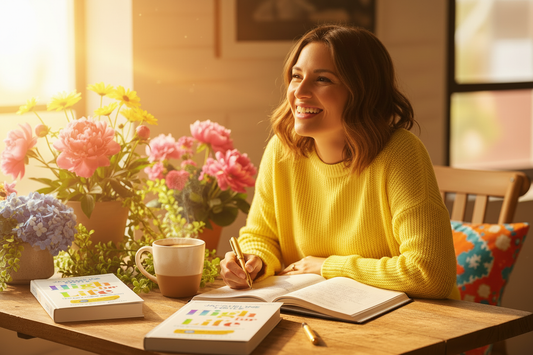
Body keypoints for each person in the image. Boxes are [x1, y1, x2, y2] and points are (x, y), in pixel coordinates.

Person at [221, 24, 459, 300]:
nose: (299, 91)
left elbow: (431, 274)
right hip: (321, 314)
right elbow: (261, 235)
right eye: (297, 76)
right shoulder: (281, 150)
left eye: (322, 79)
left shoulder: (401, 153)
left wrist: (328, 266)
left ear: (361, 91)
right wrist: (253, 261)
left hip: (412, 322)